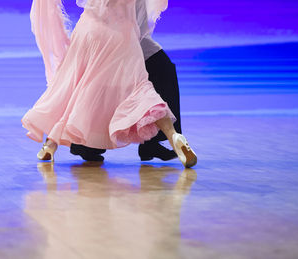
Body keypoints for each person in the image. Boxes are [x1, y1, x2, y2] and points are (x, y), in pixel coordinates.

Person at [22, 0, 197, 167]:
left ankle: (50, 145)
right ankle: (174, 136)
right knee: (140, 89)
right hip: (122, 36)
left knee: (73, 87)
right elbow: (141, 22)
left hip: (89, 32)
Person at [70, 35, 182, 162]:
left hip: (122, 34)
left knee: (159, 69)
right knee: (108, 84)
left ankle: (88, 144)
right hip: (119, 36)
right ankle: (87, 144)